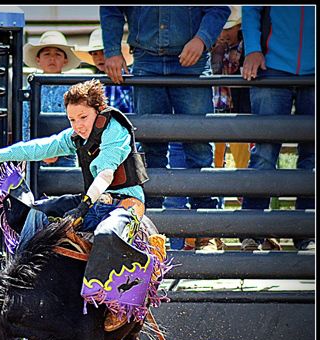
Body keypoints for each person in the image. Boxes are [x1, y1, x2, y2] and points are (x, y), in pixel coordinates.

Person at [0, 79, 167, 332]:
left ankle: (118, 304)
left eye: (83, 117)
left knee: (107, 234)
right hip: (94, 203)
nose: (78, 125)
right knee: (36, 214)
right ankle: (26, 282)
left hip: (125, 204)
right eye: (72, 119)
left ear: (98, 110)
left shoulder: (116, 131)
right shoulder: (76, 136)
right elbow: (42, 147)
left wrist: (83, 207)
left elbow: (105, 174)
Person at [100, 6, 231, 251]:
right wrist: (112, 51)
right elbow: (111, 9)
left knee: (198, 145)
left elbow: (218, 8)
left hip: (189, 60)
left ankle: (207, 231)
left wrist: (201, 39)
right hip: (149, 59)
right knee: (151, 147)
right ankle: (150, 231)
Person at [240, 6, 315, 252]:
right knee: (263, 152)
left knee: (312, 158)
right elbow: (250, 9)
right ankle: (252, 231)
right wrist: (252, 49)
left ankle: (305, 234)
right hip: (270, 68)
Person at [22, 30, 82, 167]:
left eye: (58, 54)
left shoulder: (73, 89)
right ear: (38, 59)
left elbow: (78, 122)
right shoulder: (30, 88)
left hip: (67, 152)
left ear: (65, 60)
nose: (52, 58)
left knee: (67, 186)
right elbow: (25, 123)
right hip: (36, 152)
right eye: (47, 54)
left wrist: (60, 149)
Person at [211, 6, 251, 171]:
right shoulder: (209, 47)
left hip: (238, 111)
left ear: (238, 28)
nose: (223, 33)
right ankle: (214, 194)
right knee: (213, 160)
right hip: (214, 110)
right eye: (220, 29)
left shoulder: (246, 48)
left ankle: (245, 193)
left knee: (243, 160)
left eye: (228, 29)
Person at [74, 27, 134, 113]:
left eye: (104, 52)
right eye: (95, 54)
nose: (99, 58)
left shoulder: (129, 76)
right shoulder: (92, 83)